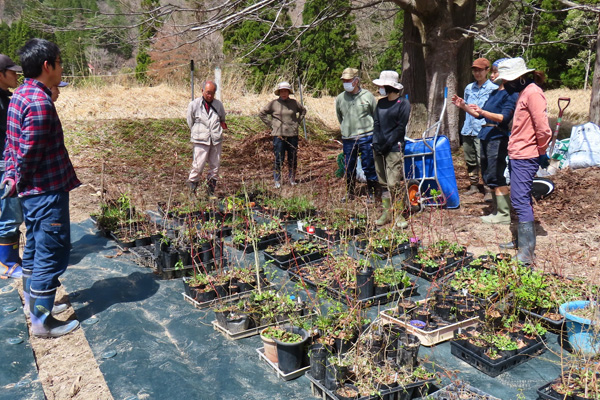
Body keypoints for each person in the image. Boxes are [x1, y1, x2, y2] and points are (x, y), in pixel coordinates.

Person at [2, 38, 80, 337]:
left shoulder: (20, 95)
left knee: (34, 248)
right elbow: (27, 154)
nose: (61, 69)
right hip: (45, 192)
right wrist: (19, 177)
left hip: (32, 194)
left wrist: (12, 178)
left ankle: (34, 305)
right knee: (51, 252)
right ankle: (42, 322)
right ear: (47, 66)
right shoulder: (39, 102)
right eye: (59, 63)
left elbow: (11, 147)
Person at [493, 57, 552, 265]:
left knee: (519, 199)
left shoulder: (533, 93)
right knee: (520, 198)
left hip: (526, 155)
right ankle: (520, 241)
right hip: (518, 152)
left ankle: (527, 253)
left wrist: (542, 151)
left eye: (507, 81)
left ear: (519, 78)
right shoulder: (523, 93)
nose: (505, 85)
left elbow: (543, 128)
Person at [452, 58, 518, 225]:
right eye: (494, 72)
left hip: (497, 136)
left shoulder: (510, 94)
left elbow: (503, 117)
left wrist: (482, 111)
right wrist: (463, 106)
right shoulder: (495, 93)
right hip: (486, 133)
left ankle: (503, 213)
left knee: (497, 174)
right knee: (488, 174)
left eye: (495, 72)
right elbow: (478, 114)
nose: (493, 75)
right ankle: (496, 211)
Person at [371, 71, 411, 229]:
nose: (380, 88)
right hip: (379, 147)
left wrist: (387, 144)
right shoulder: (380, 103)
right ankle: (386, 213)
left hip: (394, 147)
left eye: (382, 86)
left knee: (394, 182)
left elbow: (400, 128)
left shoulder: (403, 104)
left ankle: (398, 213)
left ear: (390, 87)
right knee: (383, 183)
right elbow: (376, 124)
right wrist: (376, 143)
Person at [336, 68, 379, 203]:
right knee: (349, 166)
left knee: (368, 165)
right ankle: (350, 193)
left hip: (367, 136)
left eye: (348, 80)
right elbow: (340, 117)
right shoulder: (340, 98)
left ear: (356, 81)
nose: (346, 83)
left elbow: (375, 115)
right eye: (344, 81)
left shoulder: (367, 96)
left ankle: (372, 192)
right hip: (348, 138)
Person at [0, 55, 25, 280]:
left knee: (12, 212)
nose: (16, 76)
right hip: (4, 166)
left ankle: (12, 258)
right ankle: (5, 263)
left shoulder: (7, 98)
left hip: (7, 163)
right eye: (12, 72)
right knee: (10, 212)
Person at [459, 58, 497, 200]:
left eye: (480, 70)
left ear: (487, 71)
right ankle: (474, 185)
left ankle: (488, 188)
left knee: (483, 159)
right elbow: (467, 106)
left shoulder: (493, 89)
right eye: (475, 70)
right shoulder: (469, 88)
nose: (477, 73)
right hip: (468, 128)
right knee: (470, 158)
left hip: (482, 129)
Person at [259, 81, 306, 188]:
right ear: (279, 92)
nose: (284, 93)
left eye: (286, 91)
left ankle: (292, 178)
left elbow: (303, 111)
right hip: (279, 135)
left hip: (292, 134)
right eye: (282, 91)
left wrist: (298, 121)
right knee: (279, 158)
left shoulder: (294, 103)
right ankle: (277, 180)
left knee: (292, 157)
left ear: (289, 92)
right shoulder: (274, 103)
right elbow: (262, 113)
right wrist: (271, 124)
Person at [186, 81, 226, 196]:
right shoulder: (194, 104)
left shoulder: (218, 105)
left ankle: (210, 193)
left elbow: (222, 118)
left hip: (216, 139)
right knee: (198, 166)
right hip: (200, 139)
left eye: (212, 93)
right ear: (202, 91)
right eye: (208, 92)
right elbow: (190, 121)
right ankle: (192, 192)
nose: (210, 96)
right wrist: (198, 132)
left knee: (215, 167)